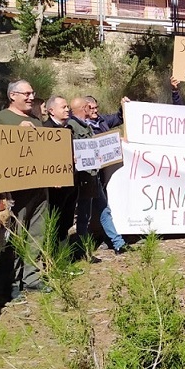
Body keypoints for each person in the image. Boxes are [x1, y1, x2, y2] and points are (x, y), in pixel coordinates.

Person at [0, 80, 49, 301]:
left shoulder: (36, 120)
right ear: (12, 95)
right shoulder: (0, 119)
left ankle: (31, 279)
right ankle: (12, 283)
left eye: (33, 93)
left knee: (37, 233)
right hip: (15, 192)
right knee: (16, 236)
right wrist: (17, 131)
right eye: (27, 93)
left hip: (39, 188)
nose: (31, 97)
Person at [68, 97, 130, 254]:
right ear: (84, 108)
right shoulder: (71, 127)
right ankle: (82, 249)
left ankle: (118, 243)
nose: (93, 110)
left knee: (103, 209)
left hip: (94, 175)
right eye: (89, 107)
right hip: (83, 178)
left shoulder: (97, 122)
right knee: (84, 214)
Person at [43, 96, 79, 246]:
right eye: (63, 107)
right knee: (54, 221)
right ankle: (52, 256)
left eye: (67, 107)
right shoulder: (45, 130)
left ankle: (63, 258)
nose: (67, 110)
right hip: (56, 187)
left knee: (66, 220)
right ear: (51, 110)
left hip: (72, 182)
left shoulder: (69, 128)